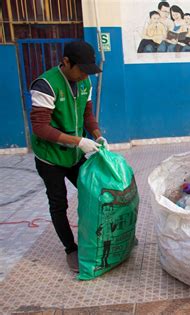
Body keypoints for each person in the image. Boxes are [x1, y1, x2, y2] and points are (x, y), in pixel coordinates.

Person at [29, 41, 108, 273]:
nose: (85, 76)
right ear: (65, 62)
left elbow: (87, 114)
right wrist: (79, 141)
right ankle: (70, 249)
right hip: (50, 158)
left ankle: (103, 237)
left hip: (74, 155)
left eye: (88, 71)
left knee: (95, 192)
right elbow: (41, 128)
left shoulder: (85, 82)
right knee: (59, 203)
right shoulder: (46, 85)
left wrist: (96, 134)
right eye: (81, 70)